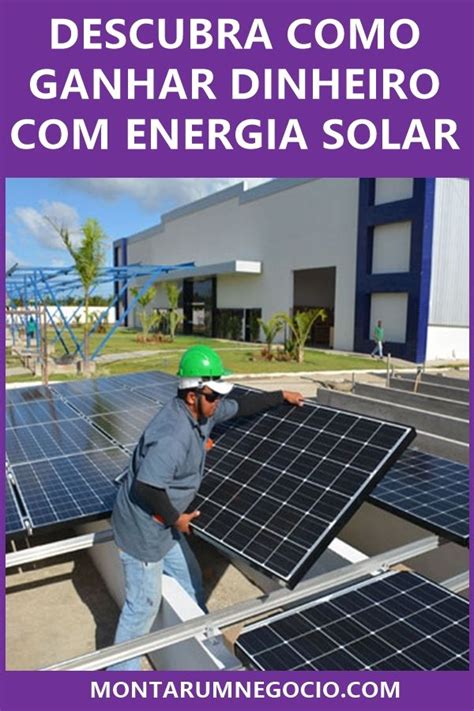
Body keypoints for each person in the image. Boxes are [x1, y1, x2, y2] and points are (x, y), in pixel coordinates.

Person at [108, 345, 304, 671]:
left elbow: (240, 406)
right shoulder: (173, 434)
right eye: (213, 396)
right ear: (191, 395)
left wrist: (280, 395)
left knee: (191, 578)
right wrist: (177, 518)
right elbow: (146, 486)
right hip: (144, 530)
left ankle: (201, 638)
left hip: (164, 525)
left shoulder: (202, 413)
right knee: (142, 607)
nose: (218, 402)